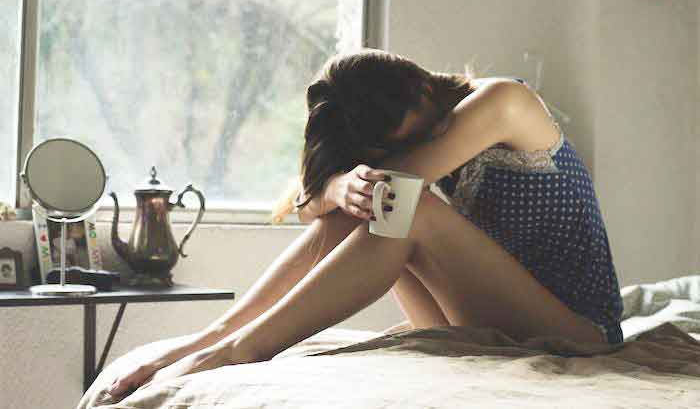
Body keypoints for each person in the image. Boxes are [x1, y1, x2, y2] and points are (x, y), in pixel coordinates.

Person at [107, 48, 624, 399]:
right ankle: (216, 337)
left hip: (575, 328)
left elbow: (389, 186)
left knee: (401, 204)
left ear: (422, 90)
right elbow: (307, 206)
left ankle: (244, 349)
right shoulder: (405, 137)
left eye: (403, 138)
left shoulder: (503, 100)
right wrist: (335, 186)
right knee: (368, 205)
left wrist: (344, 185)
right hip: (482, 318)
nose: (406, 148)